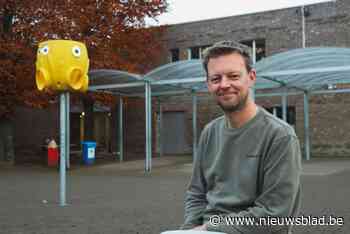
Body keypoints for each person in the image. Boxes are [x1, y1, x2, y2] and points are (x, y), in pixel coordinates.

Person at [181, 41, 302, 234]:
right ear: (208, 84)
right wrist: (188, 230)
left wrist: (208, 228)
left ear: (251, 77)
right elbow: (196, 194)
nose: (224, 85)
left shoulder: (280, 136)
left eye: (233, 76)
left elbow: (274, 214)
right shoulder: (209, 132)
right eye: (215, 78)